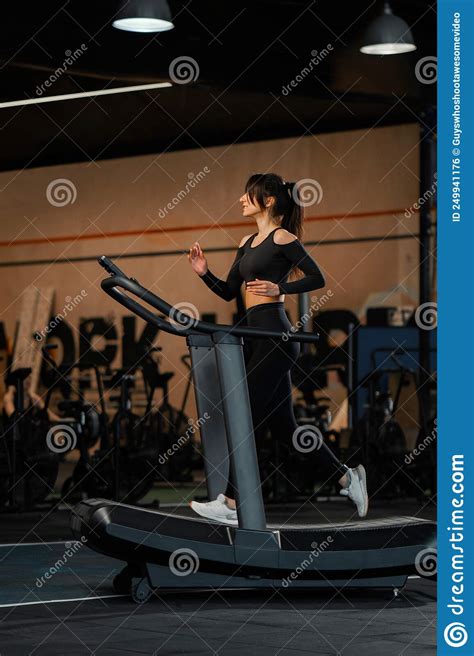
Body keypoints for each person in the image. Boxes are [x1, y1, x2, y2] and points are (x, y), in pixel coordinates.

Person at [187, 173, 368, 524]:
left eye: (248, 194)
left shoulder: (283, 237)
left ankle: (229, 501)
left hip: (276, 337)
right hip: (260, 340)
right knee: (286, 428)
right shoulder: (247, 241)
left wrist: (278, 287)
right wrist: (203, 272)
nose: (241, 199)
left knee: (244, 416)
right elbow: (228, 291)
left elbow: (318, 278)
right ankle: (348, 477)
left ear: (268, 201)